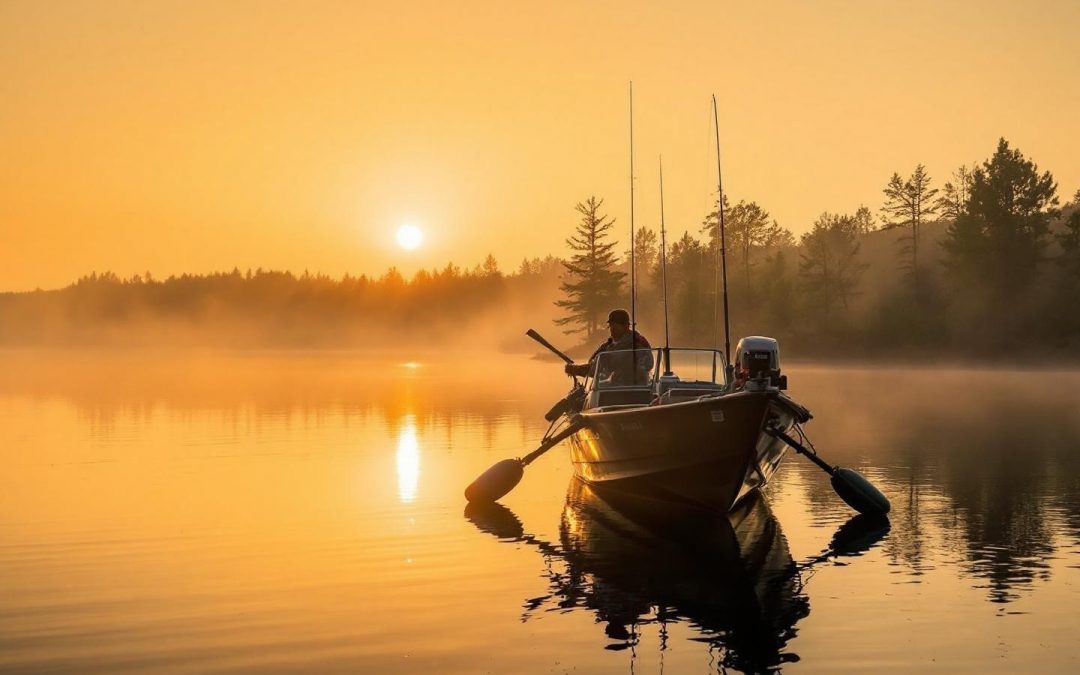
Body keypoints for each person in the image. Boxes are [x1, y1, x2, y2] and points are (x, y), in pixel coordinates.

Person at [565, 309, 653, 385]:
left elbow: (649, 364)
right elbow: (595, 366)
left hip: (634, 387)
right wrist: (576, 369)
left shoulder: (638, 343)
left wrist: (577, 370)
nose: (611, 330)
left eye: (615, 326)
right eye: (610, 326)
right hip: (613, 387)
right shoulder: (608, 345)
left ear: (626, 326)